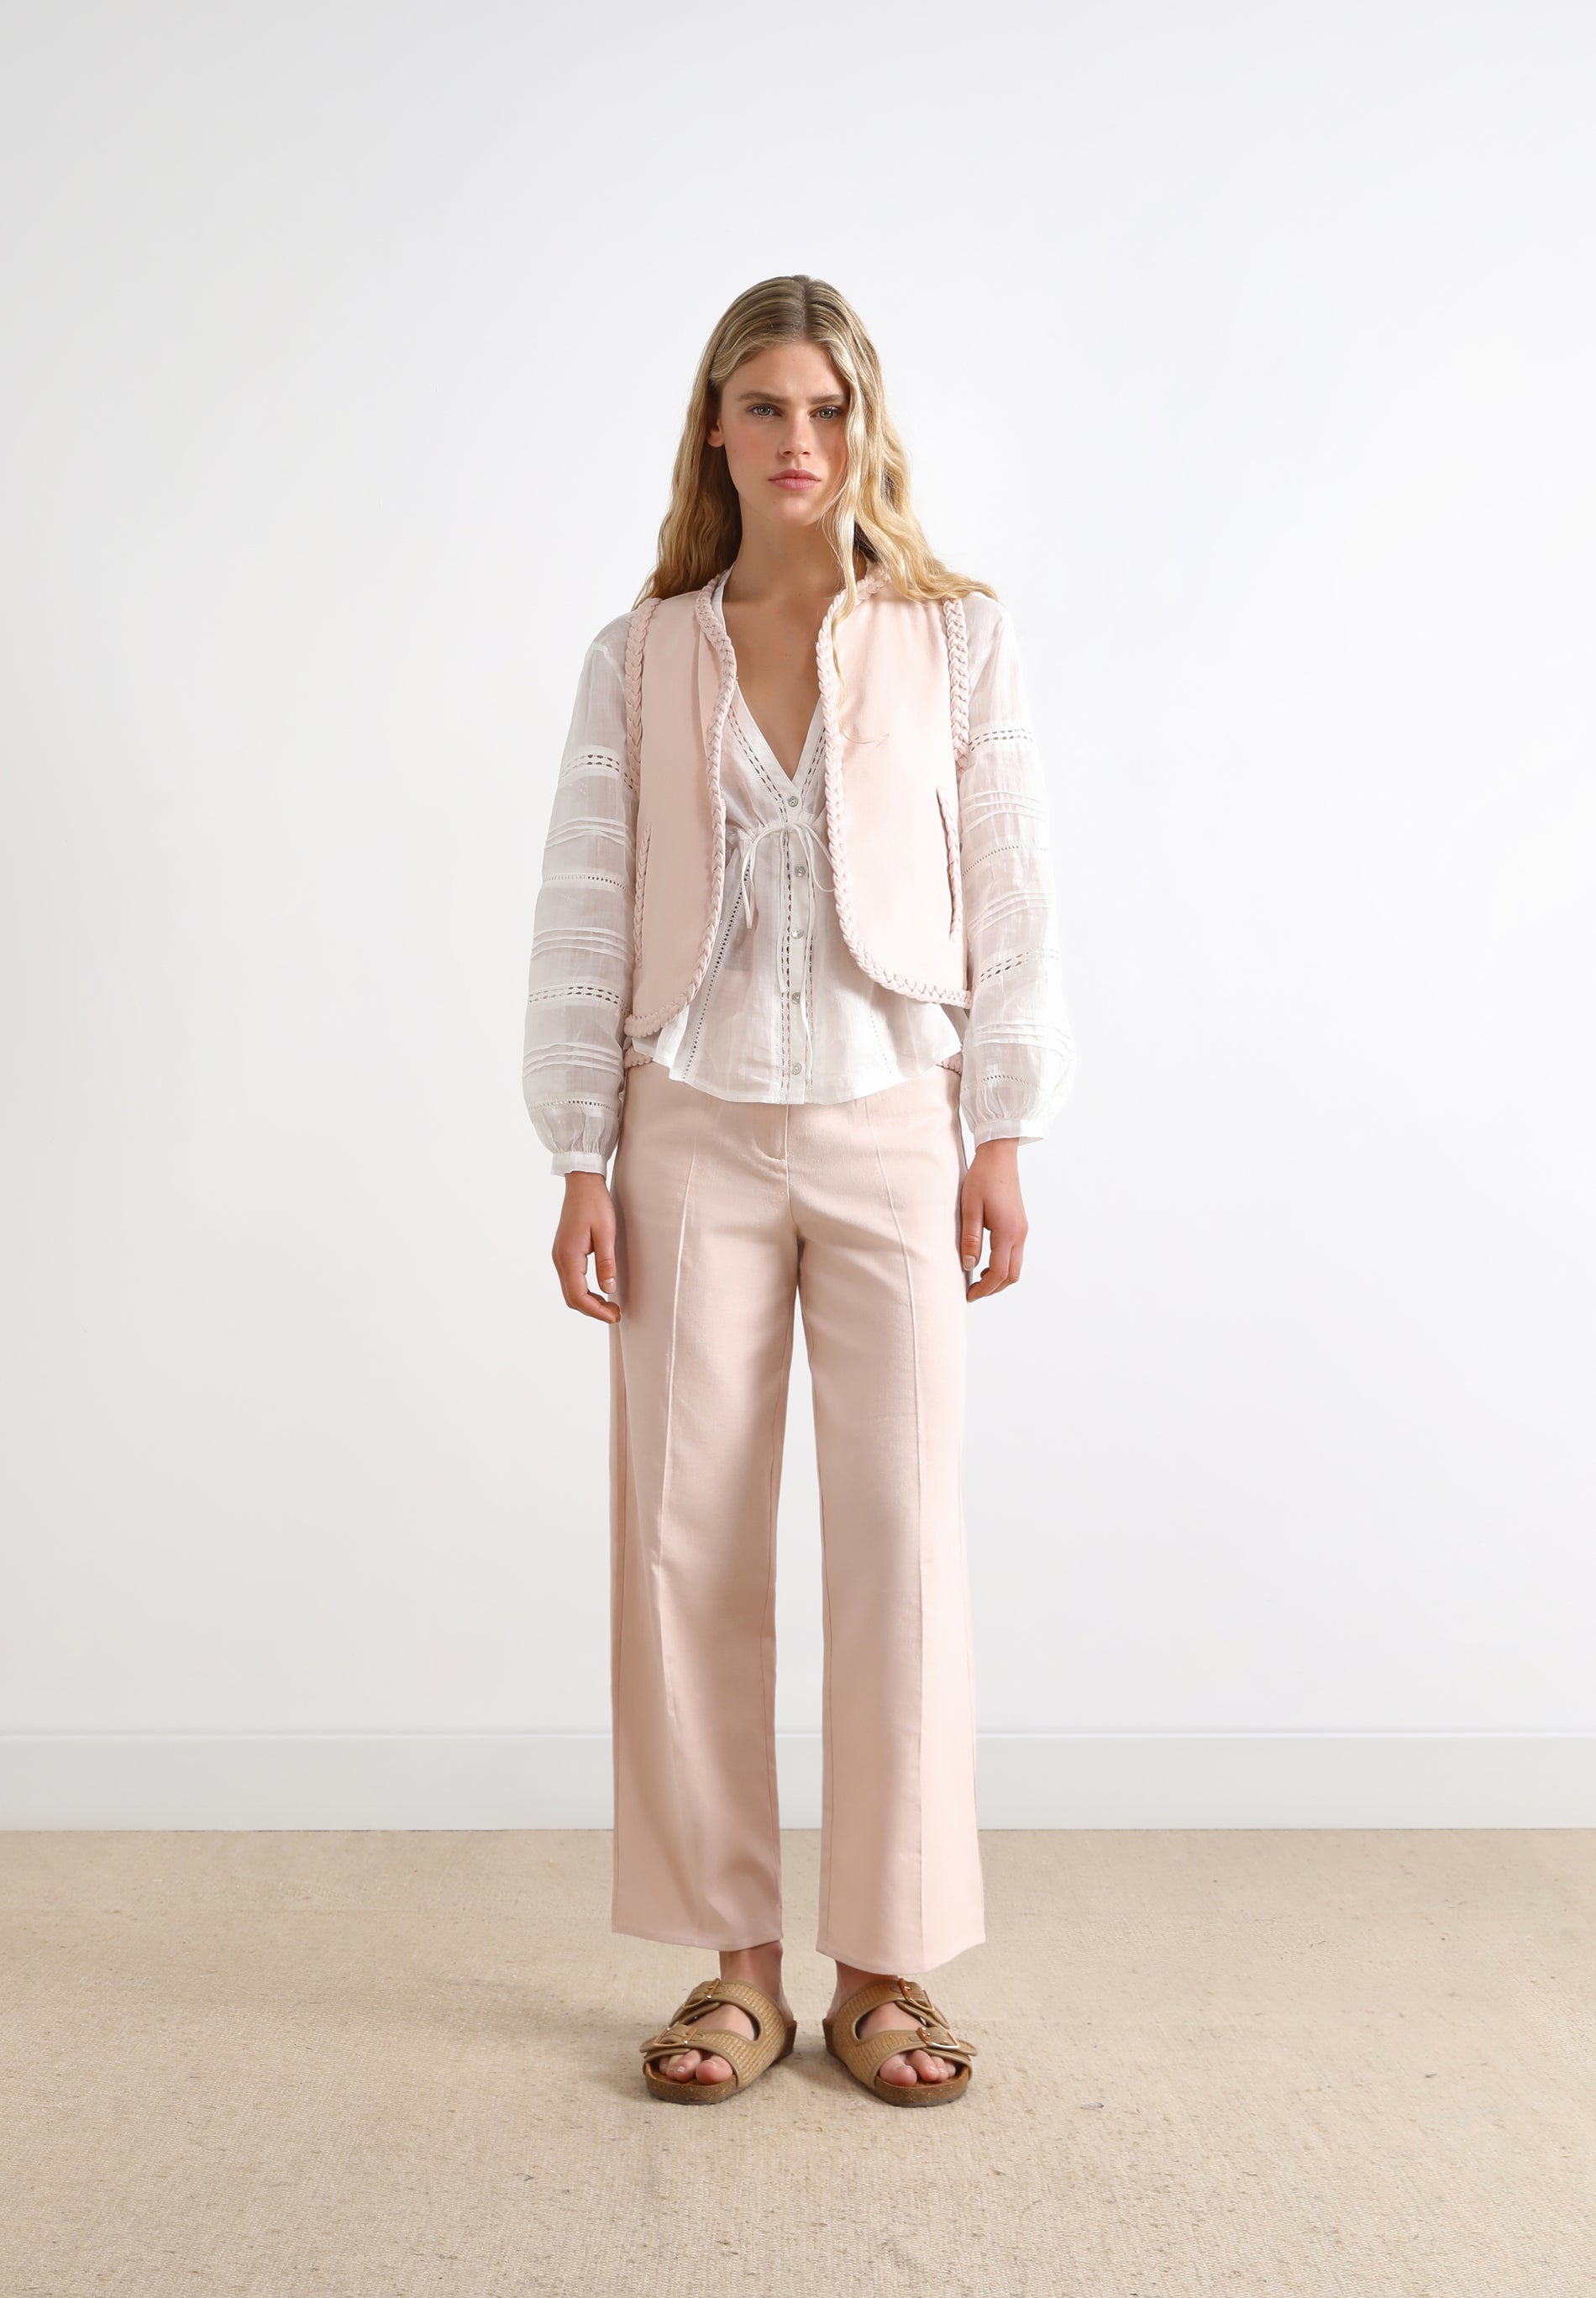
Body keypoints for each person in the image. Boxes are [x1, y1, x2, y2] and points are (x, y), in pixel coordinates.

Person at [522, 275, 1074, 2106]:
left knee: (899, 1541)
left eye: (825, 408)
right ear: (714, 426)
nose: (796, 441)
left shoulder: (953, 639)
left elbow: (1012, 892)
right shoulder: (642, 653)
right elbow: (585, 902)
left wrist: (1000, 1130)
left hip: (893, 1121)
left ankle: (886, 1971)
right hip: (684, 1129)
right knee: (684, 1547)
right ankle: (736, 1970)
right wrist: (579, 1153)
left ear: (864, 426)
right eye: (762, 406)